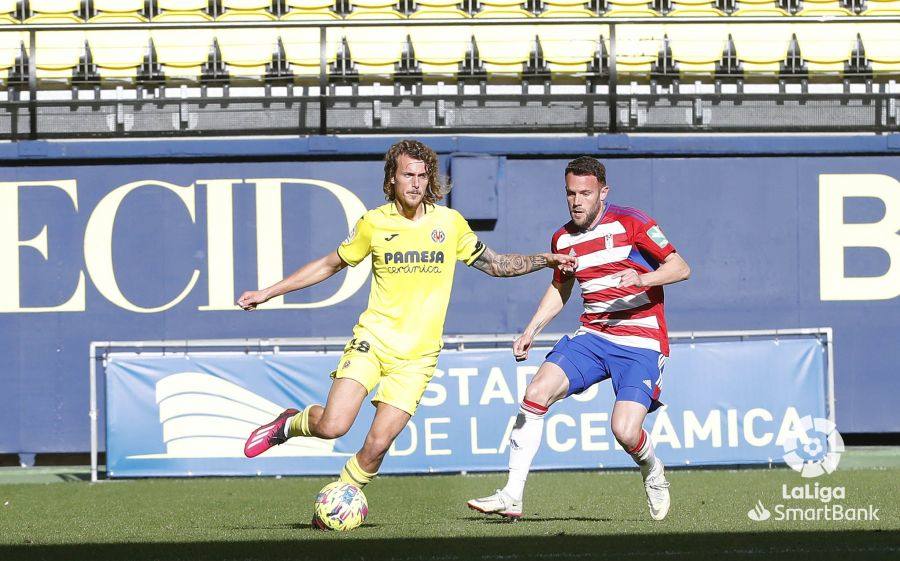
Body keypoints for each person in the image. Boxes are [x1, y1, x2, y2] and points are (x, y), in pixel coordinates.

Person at [237, 139, 576, 493]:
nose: (415, 183)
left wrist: (546, 259)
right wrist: (267, 293)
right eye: (407, 175)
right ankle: (288, 424)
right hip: (374, 341)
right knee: (333, 426)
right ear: (392, 180)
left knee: (376, 446)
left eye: (422, 175)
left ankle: (340, 499)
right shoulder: (374, 223)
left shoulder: (450, 223)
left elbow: (497, 265)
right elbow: (328, 264)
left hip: (418, 357)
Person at [466, 156, 690, 521]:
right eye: (570, 193)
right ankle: (512, 496)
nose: (576, 201)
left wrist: (643, 280)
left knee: (625, 430)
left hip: (640, 340)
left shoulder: (633, 222)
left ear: (603, 192)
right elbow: (560, 289)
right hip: (593, 335)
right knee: (536, 393)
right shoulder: (563, 238)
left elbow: (681, 268)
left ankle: (652, 469)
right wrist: (530, 331)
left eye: (585, 193)